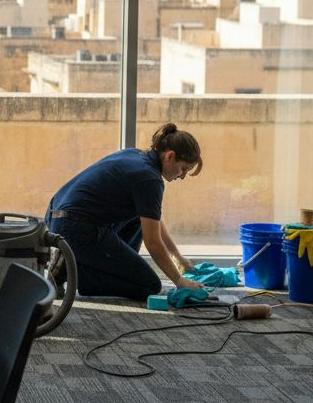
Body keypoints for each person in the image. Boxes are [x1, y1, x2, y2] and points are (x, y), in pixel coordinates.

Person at [45, 123, 204, 301]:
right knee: (149, 285)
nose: (182, 176)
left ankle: (76, 258)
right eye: (183, 169)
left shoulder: (135, 155)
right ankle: (77, 271)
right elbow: (153, 242)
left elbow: (154, 221)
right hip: (75, 227)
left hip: (57, 217)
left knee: (139, 218)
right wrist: (179, 280)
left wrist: (178, 257)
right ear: (169, 156)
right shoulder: (149, 179)